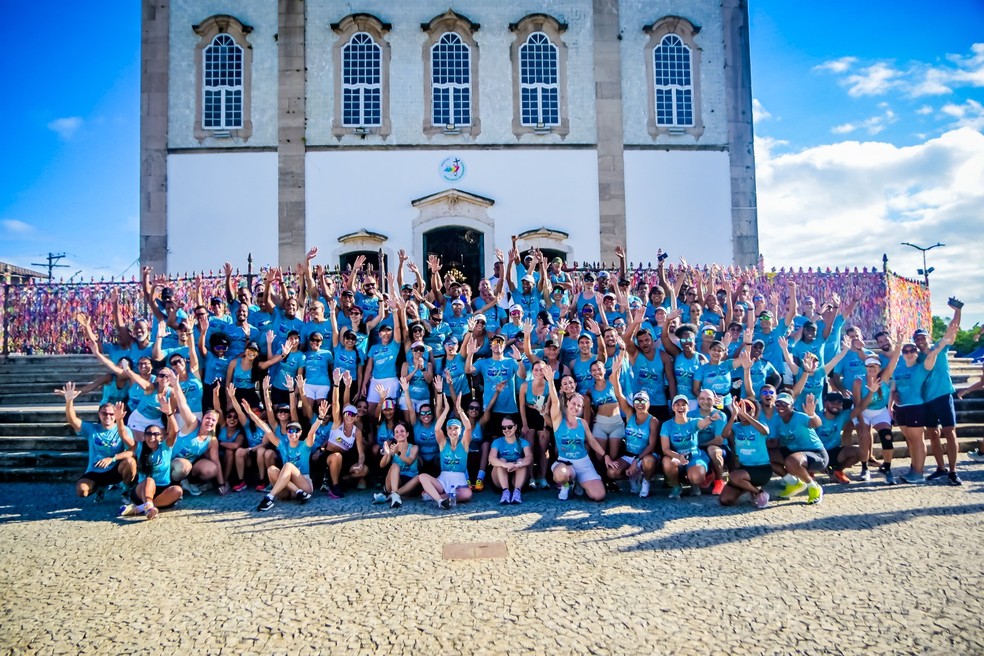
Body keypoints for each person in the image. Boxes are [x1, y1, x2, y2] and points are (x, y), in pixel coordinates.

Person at [56, 384, 136, 500]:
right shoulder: (92, 429)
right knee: (81, 491)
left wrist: (112, 458)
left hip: (115, 469)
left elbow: (132, 451)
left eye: (111, 414)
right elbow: (72, 420)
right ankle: (100, 487)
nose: (107, 416)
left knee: (130, 462)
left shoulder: (123, 429)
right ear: (99, 414)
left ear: (115, 416)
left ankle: (127, 489)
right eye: (104, 413)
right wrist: (69, 401)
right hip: (95, 470)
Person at [546, 369, 612, 501]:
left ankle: (578, 482)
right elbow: (554, 401)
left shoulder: (582, 423)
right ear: (567, 403)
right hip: (565, 463)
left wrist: (605, 456)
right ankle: (566, 484)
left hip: (583, 463)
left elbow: (592, 441)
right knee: (561, 475)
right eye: (573, 404)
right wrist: (550, 382)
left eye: (579, 406)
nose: (575, 407)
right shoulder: (558, 420)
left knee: (599, 495)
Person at [914, 310, 963, 485]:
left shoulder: (939, 348)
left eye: (922, 338)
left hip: (943, 395)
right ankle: (941, 468)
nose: (920, 341)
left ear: (928, 338)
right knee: (933, 433)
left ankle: (953, 470)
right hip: (926, 400)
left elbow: (953, 330)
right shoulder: (916, 358)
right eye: (917, 339)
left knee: (950, 432)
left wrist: (958, 311)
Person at [891, 337, 947, 484]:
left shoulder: (922, 367)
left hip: (916, 406)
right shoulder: (898, 368)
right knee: (909, 440)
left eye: (912, 350)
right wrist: (891, 405)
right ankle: (914, 467)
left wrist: (943, 341)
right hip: (901, 408)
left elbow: (932, 356)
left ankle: (919, 472)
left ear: (916, 352)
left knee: (917, 440)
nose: (908, 353)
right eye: (905, 351)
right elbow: (893, 388)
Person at [120, 389, 183, 519]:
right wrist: (119, 420)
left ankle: (142, 508)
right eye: (149, 434)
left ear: (161, 437)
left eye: (156, 434)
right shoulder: (140, 447)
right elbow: (124, 435)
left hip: (162, 489)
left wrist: (169, 414)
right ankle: (148, 506)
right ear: (144, 436)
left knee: (178, 491)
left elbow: (174, 432)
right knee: (150, 480)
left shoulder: (165, 448)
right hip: (142, 489)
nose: (152, 437)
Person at [417, 391, 474, 509]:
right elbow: (437, 429)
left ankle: (436, 496)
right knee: (422, 477)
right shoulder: (443, 443)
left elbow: (468, 427)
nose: (453, 431)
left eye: (456, 429)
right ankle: (439, 500)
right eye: (450, 428)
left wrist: (460, 410)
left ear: (460, 430)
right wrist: (446, 410)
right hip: (443, 480)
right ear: (447, 430)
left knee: (467, 494)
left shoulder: (464, 443)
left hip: (459, 480)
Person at [661, 394, 723, 498]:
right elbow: (665, 449)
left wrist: (712, 418)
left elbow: (703, 423)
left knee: (697, 476)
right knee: (667, 462)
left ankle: (694, 485)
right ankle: (676, 486)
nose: (680, 407)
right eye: (677, 404)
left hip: (694, 456)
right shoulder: (667, 425)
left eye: (683, 405)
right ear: (673, 407)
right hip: (677, 457)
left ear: (688, 408)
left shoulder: (693, 421)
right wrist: (678, 456)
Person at [773, 392, 827, 504]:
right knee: (767, 456)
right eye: (778, 404)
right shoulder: (776, 420)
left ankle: (814, 487)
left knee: (792, 460)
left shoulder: (800, 417)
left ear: (792, 406)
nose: (781, 407)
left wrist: (812, 414)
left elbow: (816, 423)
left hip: (816, 454)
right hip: (794, 451)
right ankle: (793, 483)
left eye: (785, 404)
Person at [719, 398, 772, 508]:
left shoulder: (760, 424)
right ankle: (753, 490)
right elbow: (724, 434)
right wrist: (734, 415)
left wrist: (746, 416)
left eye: (748, 409)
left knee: (733, 476)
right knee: (725, 500)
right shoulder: (736, 426)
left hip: (761, 469)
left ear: (754, 411)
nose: (744, 411)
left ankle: (759, 493)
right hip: (744, 469)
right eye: (741, 408)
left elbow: (765, 431)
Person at [255, 417, 315, 511]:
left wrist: (320, 418)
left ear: (300, 432)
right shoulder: (282, 445)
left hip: (304, 485)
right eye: (290, 430)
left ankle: (269, 497)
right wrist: (250, 412)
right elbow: (266, 428)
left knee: (288, 465)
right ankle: (298, 492)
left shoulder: (305, 445)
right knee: (271, 469)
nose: (293, 433)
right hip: (287, 489)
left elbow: (312, 432)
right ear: (286, 432)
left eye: (296, 430)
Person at [372, 420, 420, 508]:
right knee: (394, 466)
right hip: (395, 481)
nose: (399, 433)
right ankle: (394, 495)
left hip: (409, 482)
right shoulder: (393, 448)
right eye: (396, 432)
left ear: (407, 434)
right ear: (394, 436)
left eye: (402, 431)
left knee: (419, 477)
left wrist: (397, 452)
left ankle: (390, 496)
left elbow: (409, 461)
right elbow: (382, 465)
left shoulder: (414, 447)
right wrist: (387, 453)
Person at [489, 416, 533, 504]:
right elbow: (491, 458)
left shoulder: (523, 442)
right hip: (500, 478)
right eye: (503, 427)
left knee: (521, 460)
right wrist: (505, 465)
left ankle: (517, 492)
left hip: (517, 477)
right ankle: (505, 492)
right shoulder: (497, 442)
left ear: (516, 427)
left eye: (509, 427)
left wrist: (518, 464)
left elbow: (529, 458)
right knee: (501, 460)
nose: (506, 429)